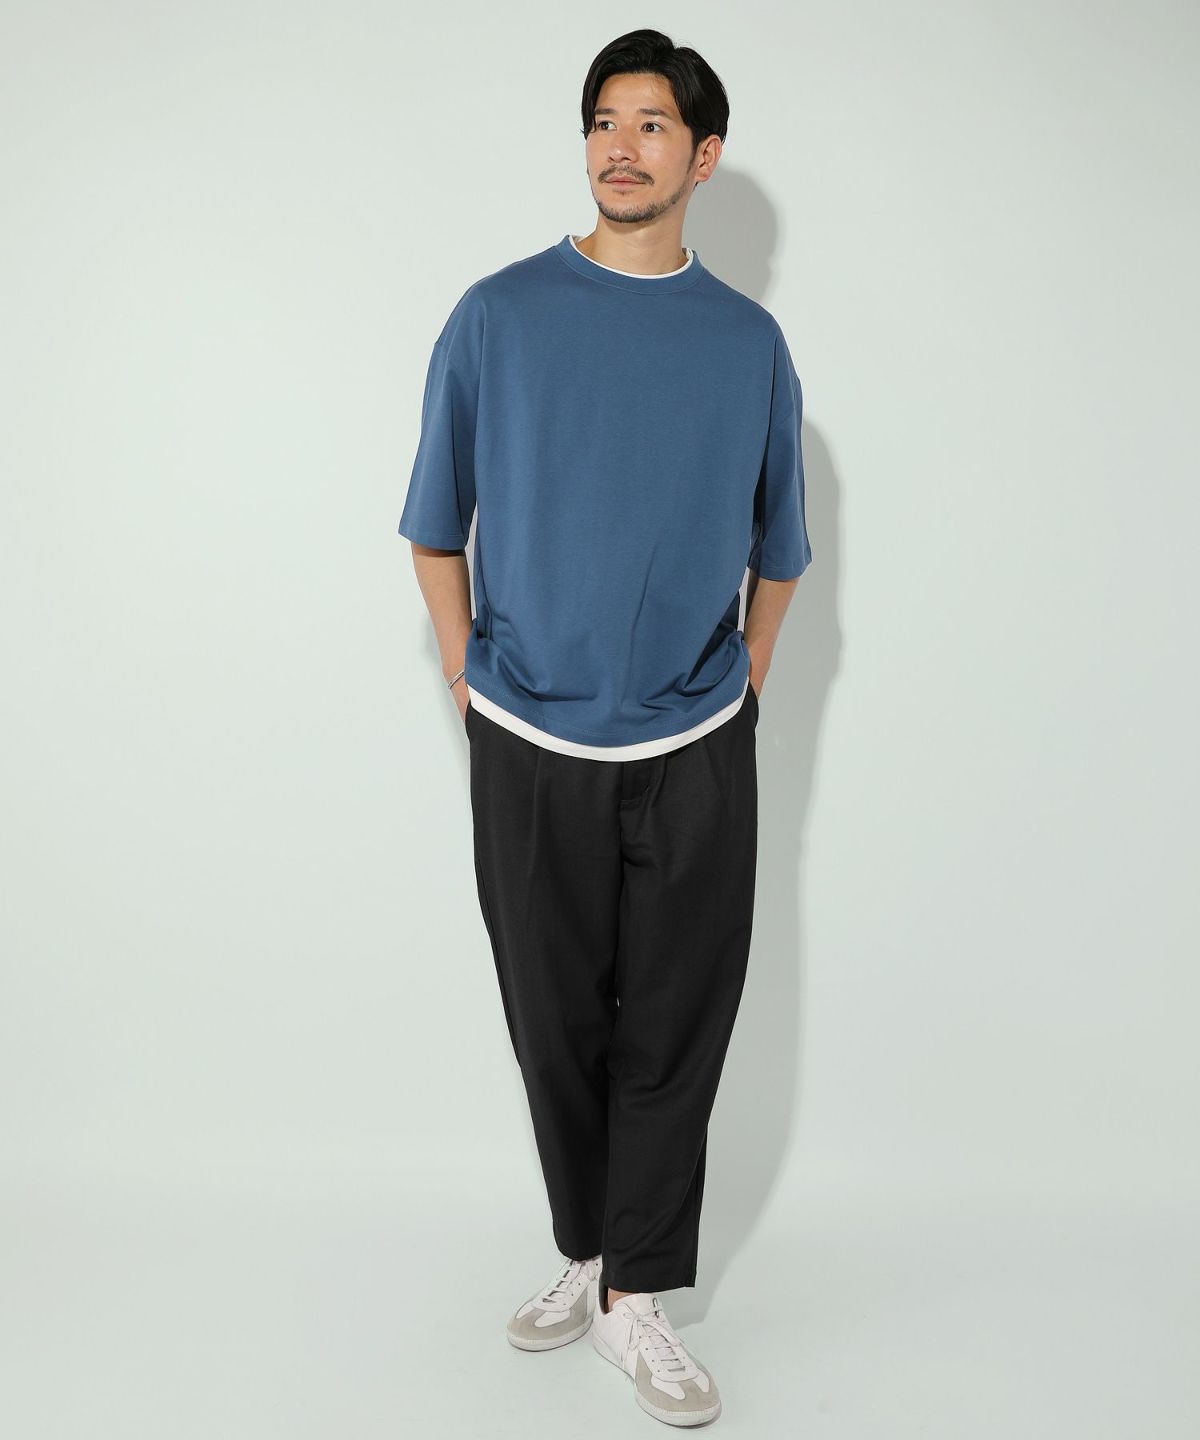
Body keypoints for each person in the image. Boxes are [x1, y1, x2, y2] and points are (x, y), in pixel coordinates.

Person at [397, 27, 811, 1429]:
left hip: (695, 740)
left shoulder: (748, 344)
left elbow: (780, 549)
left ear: (703, 156)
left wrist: (745, 685)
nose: (620, 147)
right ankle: (592, 1244)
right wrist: (465, 673)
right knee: (554, 1016)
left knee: (679, 1021)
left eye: (651, 125)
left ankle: (639, 1296)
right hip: (530, 733)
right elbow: (433, 523)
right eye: (602, 121)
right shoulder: (498, 317)